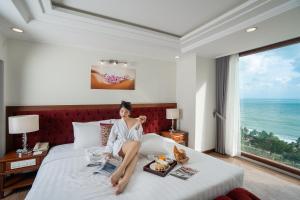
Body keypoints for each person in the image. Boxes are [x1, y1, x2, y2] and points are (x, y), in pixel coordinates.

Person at [103, 101, 146, 194]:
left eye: (126, 112)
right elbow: (111, 140)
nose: (123, 114)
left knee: (136, 152)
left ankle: (124, 181)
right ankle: (121, 170)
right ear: (119, 111)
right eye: (122, 111)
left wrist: (139, 124)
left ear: (130, 112)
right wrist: (108, 152)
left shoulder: (137, 121)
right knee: (137, 144)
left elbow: (138, 138)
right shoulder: (117, 123)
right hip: (120, 148)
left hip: (131, 150)